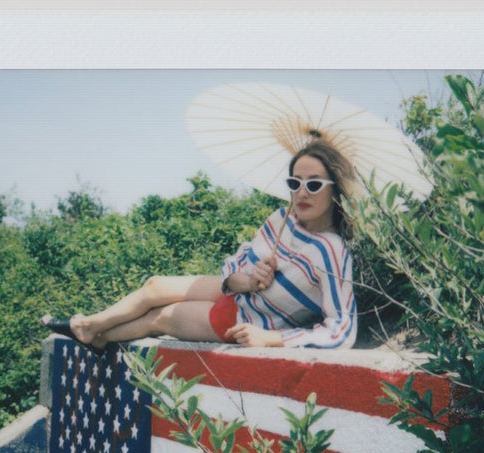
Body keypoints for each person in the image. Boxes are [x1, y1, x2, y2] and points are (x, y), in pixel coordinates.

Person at [41, 138, 358, 352]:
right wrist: (245, 279)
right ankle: (88, 325)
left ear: (335, 190)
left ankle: (95, 335)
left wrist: (271, 339)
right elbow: (242, 259)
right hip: (237, 292)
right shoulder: (280, 219)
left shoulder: (331, 252)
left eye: (314, 184)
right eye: (294, 183)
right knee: (154, 286)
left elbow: (341, 330)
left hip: (246, 320)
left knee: (160, 318)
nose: (302, 193)